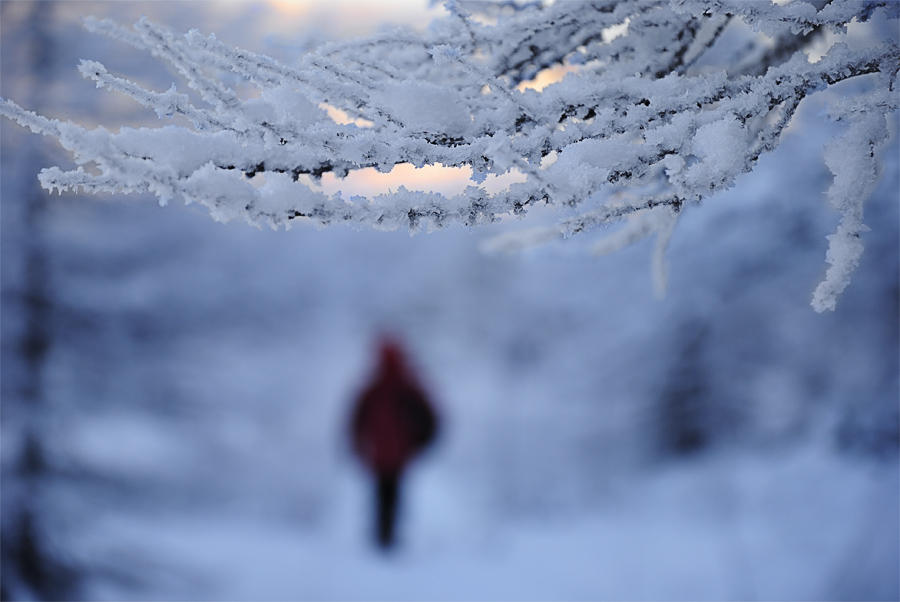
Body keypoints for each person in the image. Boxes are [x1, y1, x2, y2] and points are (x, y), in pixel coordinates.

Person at [350, 337, 438, 548]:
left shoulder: (373, 389)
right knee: (394, 493)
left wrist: (359, 448)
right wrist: (419, 444)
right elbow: (431, 420)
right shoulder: (408, 387)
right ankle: (389, 535)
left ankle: (383, 535)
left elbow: (356, 422)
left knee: (382, 493)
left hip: (380, 454)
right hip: (399, 454)